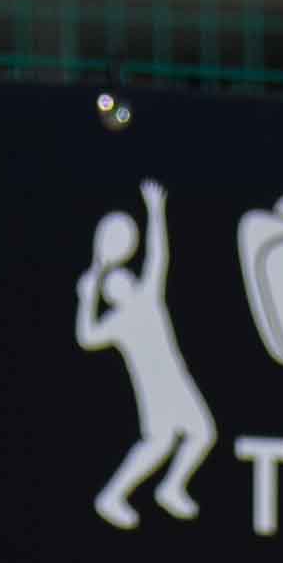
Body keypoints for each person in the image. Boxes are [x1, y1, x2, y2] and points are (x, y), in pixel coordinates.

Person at [77, 184, 214, 529]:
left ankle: (169, 487)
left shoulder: (148, 298)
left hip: (176, 380)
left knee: (202, 434)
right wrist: (85, 299)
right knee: (160, 443)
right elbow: (87, 338)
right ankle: (112, 496)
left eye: (126, 277)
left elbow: (158, 257)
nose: (124, 280)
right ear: (113, 295)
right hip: (155, 392)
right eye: (116, 284)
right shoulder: (120, 321)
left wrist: (155, 212)